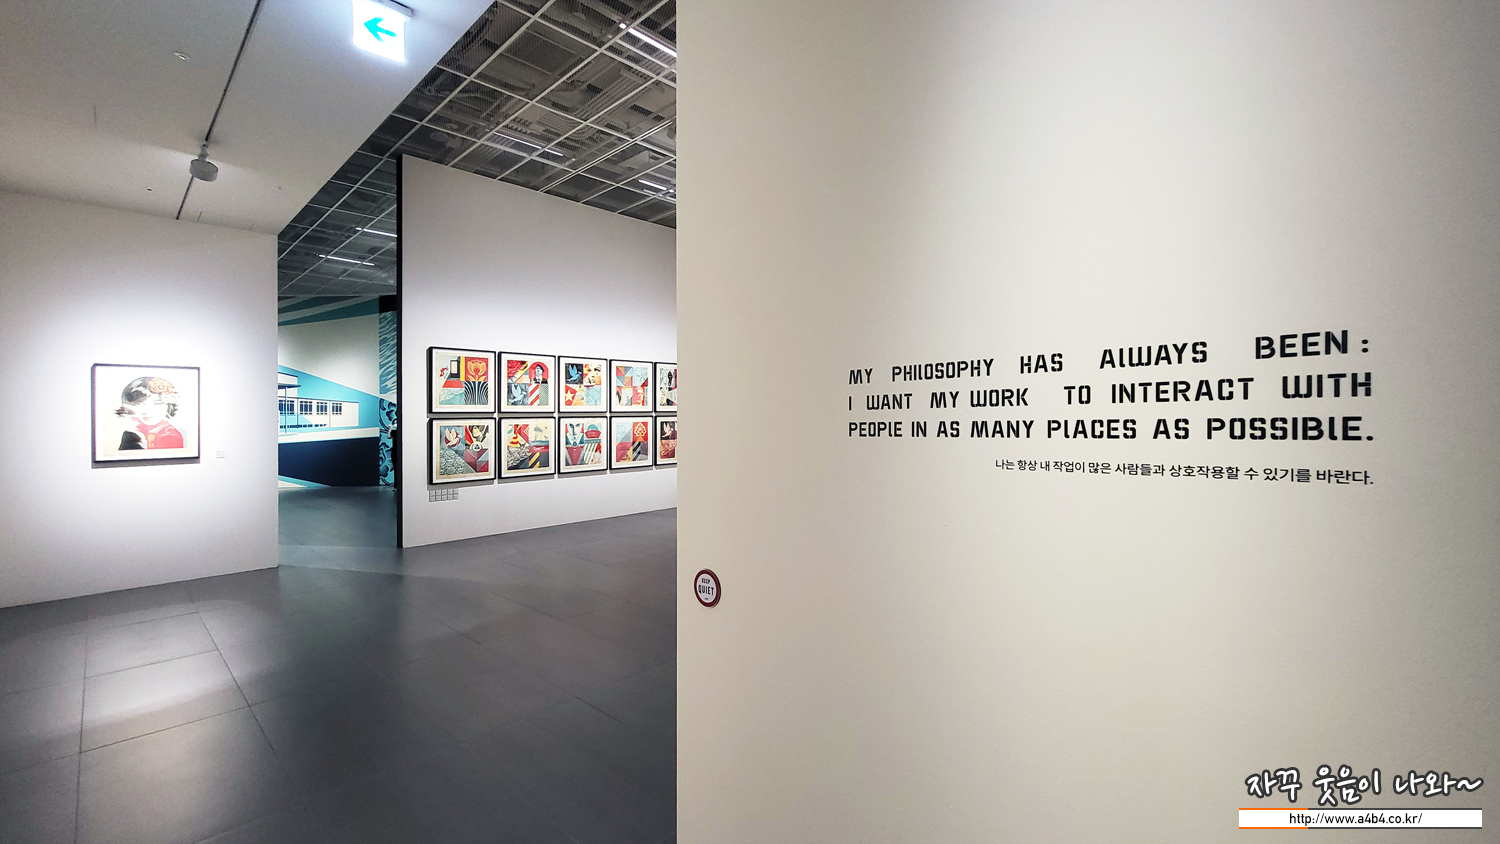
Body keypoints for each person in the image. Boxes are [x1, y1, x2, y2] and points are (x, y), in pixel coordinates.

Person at [116, 376, 183, 450]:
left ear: (169, 405)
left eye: (156, 404)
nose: (147, 411)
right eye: (139, 404)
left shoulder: (169, 435)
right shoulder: (133, 431)